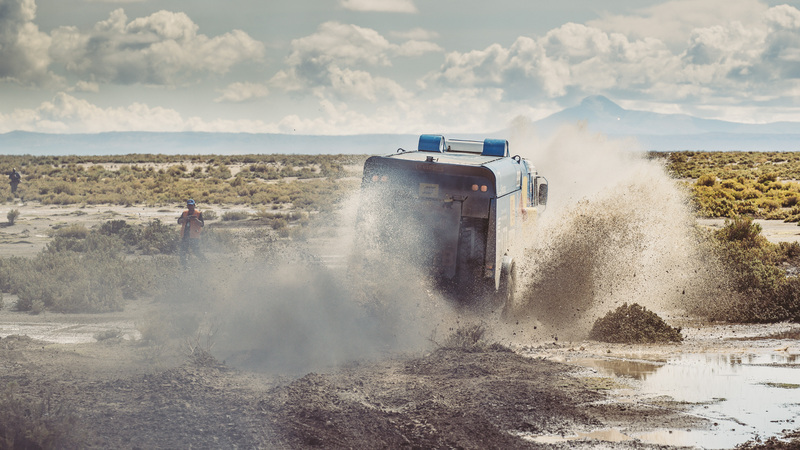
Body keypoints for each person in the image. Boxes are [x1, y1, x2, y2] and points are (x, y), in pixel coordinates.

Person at [177, 199, 206, 268]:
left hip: (194, 237)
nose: (190, 207)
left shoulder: (198, 213)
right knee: (183, 252)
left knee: (196, 252)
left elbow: (202, 224)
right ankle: (184, 266)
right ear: (187, 206)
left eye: (191, 205)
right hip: (185, 236)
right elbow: (179, 221)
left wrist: (195, 220)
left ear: (194, 205)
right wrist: (185, 219)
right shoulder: (184, 213)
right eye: (189, 205)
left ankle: (205, 263)